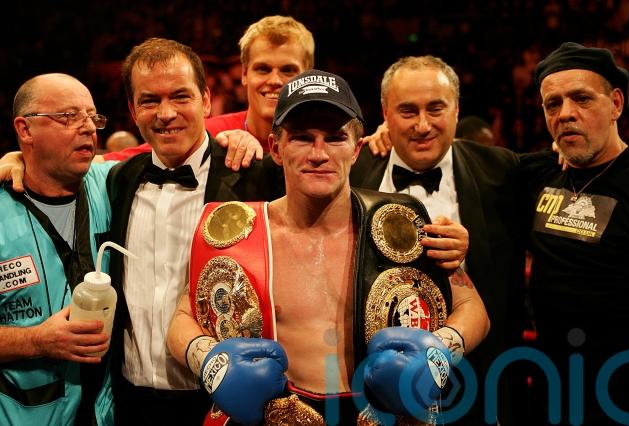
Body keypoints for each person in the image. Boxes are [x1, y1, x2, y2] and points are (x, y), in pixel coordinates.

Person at [166, 69, 489, 425]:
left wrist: (437, 353)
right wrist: (211, 363)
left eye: (335, 138)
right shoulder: (241, 234)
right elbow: (182, 319)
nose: (319, 154)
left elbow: (473, 308)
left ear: (356, 148)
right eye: (302, 138)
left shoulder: (399, 226)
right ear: (276, 148)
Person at [105, 37, 282, 426]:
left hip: (224, 403)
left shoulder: (255, 176)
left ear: (205, 101)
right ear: (133, 110)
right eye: (150, 100)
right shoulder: (118, 180)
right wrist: (16, 159)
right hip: (131, 402)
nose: (166, 113)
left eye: (180, 96)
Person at [350, 56, 526, 425]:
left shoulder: (502, 170)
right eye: (407, 111)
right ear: (385, 114)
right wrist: (233, 135)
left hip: (476, 385)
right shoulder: (352, 168)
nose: (423, 125)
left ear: (456, 110)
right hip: (369, 386)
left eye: (435, 108)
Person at [521, 41, 629, 425]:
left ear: (616, 104)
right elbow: (463, 159)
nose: (566, 113)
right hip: (549, 394)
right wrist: (386, 135)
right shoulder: (537, 174)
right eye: (552, 104)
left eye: (582, 99)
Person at [0, 73, 114, 425]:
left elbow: (178, 151)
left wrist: (238, 136)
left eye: (92, 117)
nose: (88, 128)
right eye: (68, 116)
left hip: (105, 414)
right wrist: (36, 341)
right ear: (25, 129)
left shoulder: (113, 183)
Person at [102, 15, 314, 172]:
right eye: (263, 69)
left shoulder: (326, 141)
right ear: (244, 74)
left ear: (308, 75)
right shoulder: (209, 134)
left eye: (288, 70)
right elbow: (113, 162)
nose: (275, 81)